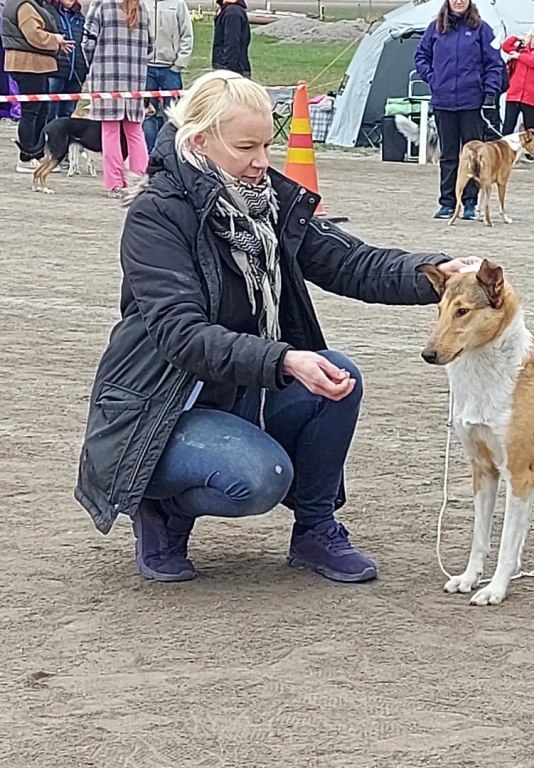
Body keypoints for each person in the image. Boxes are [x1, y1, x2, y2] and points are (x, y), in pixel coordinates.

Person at [73, 70, 480, 584]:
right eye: (246, 146)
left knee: (338, 378)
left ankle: (315, 530)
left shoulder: (271, 203)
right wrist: (284, 358)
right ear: (200, 141)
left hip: (243, 388)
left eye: (268, 143)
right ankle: (162, 510)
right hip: (162, 408)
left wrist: (436, 275)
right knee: (260, 478)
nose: (263, 161)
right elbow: (182, 335)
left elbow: (350, 263)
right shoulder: (157, 216)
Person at [414, 0, 504, 221]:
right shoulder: (435, 28)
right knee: (449, 154)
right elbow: (421, 57)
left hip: (471, 101)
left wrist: (490, 91)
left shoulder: (482, 30)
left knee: (474, 156)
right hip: (443, 101)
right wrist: (433, 78)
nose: (459, 1)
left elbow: (495, 63)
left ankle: (470, 203)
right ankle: (447, 202)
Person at [83, 0, 152, 197]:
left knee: (110, 131)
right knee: (135, 131)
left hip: (106, 76)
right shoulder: (141, 7)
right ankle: (140, 180)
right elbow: (150, 46)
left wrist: (93, 65)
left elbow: (88, 41)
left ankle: (115, 184)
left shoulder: (101, 5)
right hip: (135, 80)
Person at [2, 0, 74, 172]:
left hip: (36, 65)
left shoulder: (29, 5)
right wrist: (55, 39)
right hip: (27, 65)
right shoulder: (24, 6)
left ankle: (38, 153)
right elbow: (34, 34)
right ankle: (26, 157)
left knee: (41, 110)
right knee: (31, 112)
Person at [141, 0, 193, 151]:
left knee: (173, 116)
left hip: (170, 70)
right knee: (147, 114)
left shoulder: (178, 4)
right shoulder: (141, 3)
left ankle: (170, 152)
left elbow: (187, 34)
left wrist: (179, 63)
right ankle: (150, 154)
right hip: (146, 69)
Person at [500, 25, 534, 136]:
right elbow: (505, 46)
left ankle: (531, 153)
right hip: (514, 94)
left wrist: (519, 57)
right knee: (508, 126)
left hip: (531, 96)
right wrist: (517, 38)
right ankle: (505, 152)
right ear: (530, 37)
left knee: (530, 128)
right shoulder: (520, 50)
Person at [45, 0, 85, 123]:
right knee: (48, 113)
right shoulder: (47, 12)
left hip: (76, 72)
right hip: (54, 71)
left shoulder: (80, 17)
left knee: (67, 115)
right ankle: (43, 141)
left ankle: (61, 142)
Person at [211, 0, 249, 77]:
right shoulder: (228, 10)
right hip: (230, 69)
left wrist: (225, 71)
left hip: (233, 72)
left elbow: (232, 45)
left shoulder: (232, 12)